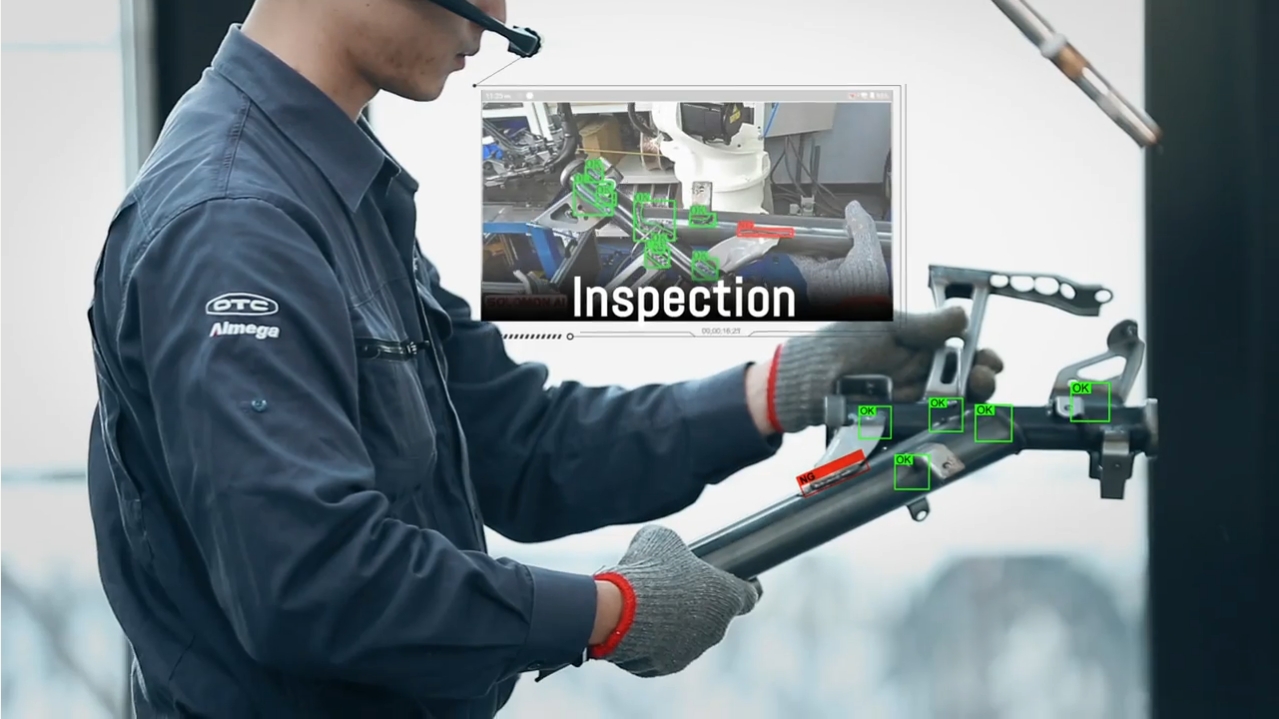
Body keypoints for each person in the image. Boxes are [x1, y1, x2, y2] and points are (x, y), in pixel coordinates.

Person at [84, 1, 1004, 716]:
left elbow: (517, 447)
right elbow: (310, 583)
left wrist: (778, 390)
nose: (487, 35)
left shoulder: (329, 184)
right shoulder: (237, 219)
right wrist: (607, 612)